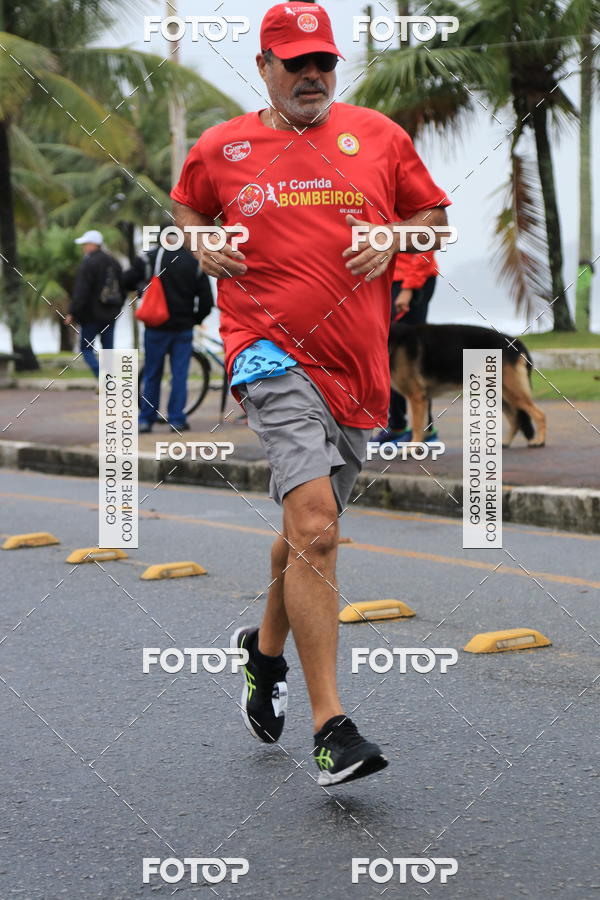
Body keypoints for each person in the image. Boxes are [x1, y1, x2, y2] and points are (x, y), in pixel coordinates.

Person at [172, 1, 450, 786]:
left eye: (323, 62)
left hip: (355, 368)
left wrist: (396, 236)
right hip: (266, 354)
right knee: (318, 526)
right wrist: (201, 238)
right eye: (295, 63)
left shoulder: (379, 139)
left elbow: (433, 217)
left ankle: (262, 656)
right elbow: (187, 202)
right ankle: (334, 727)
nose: (312, 76)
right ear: (263, 66)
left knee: (307, 531)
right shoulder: (222, 146)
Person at [122, 231, 213, 433]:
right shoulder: (194, 261)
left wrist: (140, 287)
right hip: (183, 329)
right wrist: (194, 319)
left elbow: (125, 280)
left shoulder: (149, 258)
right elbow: (207, 302)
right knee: (179, 375)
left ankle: (146, 419)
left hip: (156, 327)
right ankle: (177, 420)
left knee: (152, 373)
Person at [373, 250, 439, 444]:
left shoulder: (417, 218)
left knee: (405, 360)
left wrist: (409, 288)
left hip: (410, 281)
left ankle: (423, 430)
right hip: (390, 280)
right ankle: (398, 425)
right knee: (389, 358)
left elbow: (427, 240)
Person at [66, 230, 124, 378]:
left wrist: (73, 312)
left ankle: (101, 376)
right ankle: (108, 381)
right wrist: (117, 309)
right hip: (110, 315)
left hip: (91, 316)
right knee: (108, 352)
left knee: (85, 349)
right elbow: (123, 287)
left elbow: (81, 291)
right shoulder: (114, 262)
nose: (83, 247)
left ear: (93, 244)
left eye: (85, 244)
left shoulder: (88, 263)